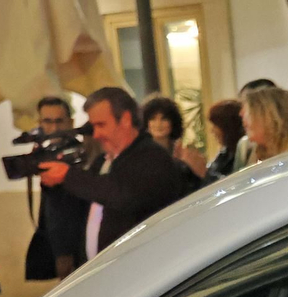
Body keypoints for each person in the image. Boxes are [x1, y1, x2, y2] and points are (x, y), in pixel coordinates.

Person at [37, 86, 186, 264]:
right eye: (93, 126)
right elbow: (77, 206)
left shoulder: (152, 157)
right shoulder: (103, 160)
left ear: (125, 120)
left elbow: (122, 194)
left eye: (101, 125)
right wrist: (53, 183)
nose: (96, 134)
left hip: (141, 268)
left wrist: (68, 176)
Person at [23, 95, 93, 282]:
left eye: (59, 121)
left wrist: (64, 252)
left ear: (70, 122)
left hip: (78, 244)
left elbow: (71, 209)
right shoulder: (45, 153)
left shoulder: (81, 154)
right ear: (39, 123)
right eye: (47, 121)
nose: (54, 128)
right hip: (55, 239)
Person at [142, 94, 207, 192]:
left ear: (173, 122)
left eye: (164, 119)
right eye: (153, 119)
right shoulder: (143, 153)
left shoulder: (184, 152)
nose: (158, 124)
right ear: (146, 123)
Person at [203, 98, 244, 184]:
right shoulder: (224, 153)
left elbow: (234, 184)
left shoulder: (242, 153)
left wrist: (204, 172)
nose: (212, 131)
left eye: (215, 125)